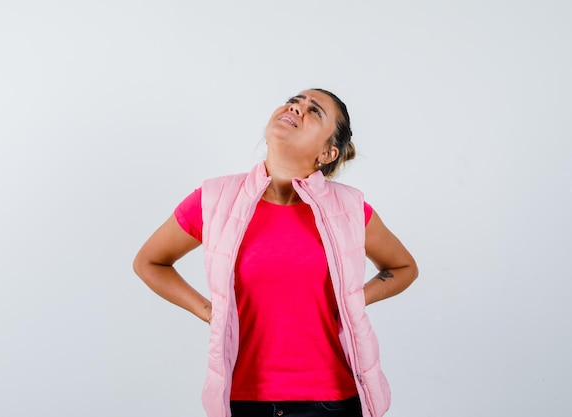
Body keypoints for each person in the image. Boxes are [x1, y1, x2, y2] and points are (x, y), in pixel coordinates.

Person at [133, 88, 418, 417]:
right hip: (244, 400)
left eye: (314, 111)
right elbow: (149, 262)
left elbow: (404, 266)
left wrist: (353, 297)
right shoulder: (214, 199)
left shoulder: (350, 209)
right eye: (294, 101)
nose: (296, 108)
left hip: (334, 401)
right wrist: (211, 311)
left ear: (328, 153)